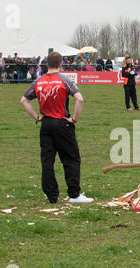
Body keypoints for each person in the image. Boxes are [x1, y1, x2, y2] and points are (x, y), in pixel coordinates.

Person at [20, 51, 93, 204]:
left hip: (45, 124)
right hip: (62, 123)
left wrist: (36, 117)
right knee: (71, 158)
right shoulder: (64, 80)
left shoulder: (38, 82)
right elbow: (79, 99)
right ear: (61, 64)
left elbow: (24, 101)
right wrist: (74, 119)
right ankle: (74, 194)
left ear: (47, 64)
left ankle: (51, 196)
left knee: (47, 161)